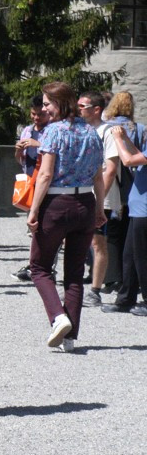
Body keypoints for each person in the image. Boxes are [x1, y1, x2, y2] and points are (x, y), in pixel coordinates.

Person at [26, 82, 106, 353]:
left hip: (56, 203)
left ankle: (58, 317)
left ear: (59, 104)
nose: (44, 108)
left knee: (39, 267)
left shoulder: (53, 131)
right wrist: (99, 209)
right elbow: (98, 176)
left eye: (48, 104)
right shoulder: (91, 133)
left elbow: (46, 174)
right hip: (85, 202)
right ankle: (70, 339)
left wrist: (34, 209)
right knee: (74, 273)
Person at [103, 116, 147, 315]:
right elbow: (138, 156)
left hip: (145, 212)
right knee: (129, 256)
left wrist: (118, 140)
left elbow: (128, 161)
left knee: (142, 257)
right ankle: (125, 299)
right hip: (138, 210)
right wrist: (127, 140)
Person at [98, 92, 136, 301]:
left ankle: (112, 277)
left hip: (113, 185)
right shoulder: (137, 128)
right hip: (132, 188)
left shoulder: (109, 128)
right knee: (127, 235)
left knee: (110, 234)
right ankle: (128, 277)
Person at [12, 96, 49, 282]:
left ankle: (41, 266)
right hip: (30, 181)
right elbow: (21, 160)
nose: (36, 118)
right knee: (33, 225)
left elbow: (57, 153)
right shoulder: (27, 130)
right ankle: (35, 264)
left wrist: (39, 145)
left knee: (42, 226)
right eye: (33, 114)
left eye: (40, 114)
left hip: (46, 182)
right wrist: (18, 150)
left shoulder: (52, 131)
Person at [78, 90, 110, 307]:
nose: (78, 109)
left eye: (83, 106)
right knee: (79, 242)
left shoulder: (107, 131)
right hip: (82, 193)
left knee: (98, 243)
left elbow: (110, 168)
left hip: (101, 196)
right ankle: (76, 288)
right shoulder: (83, 130)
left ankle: (95, 291)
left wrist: (99, 202)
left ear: (96, 109)